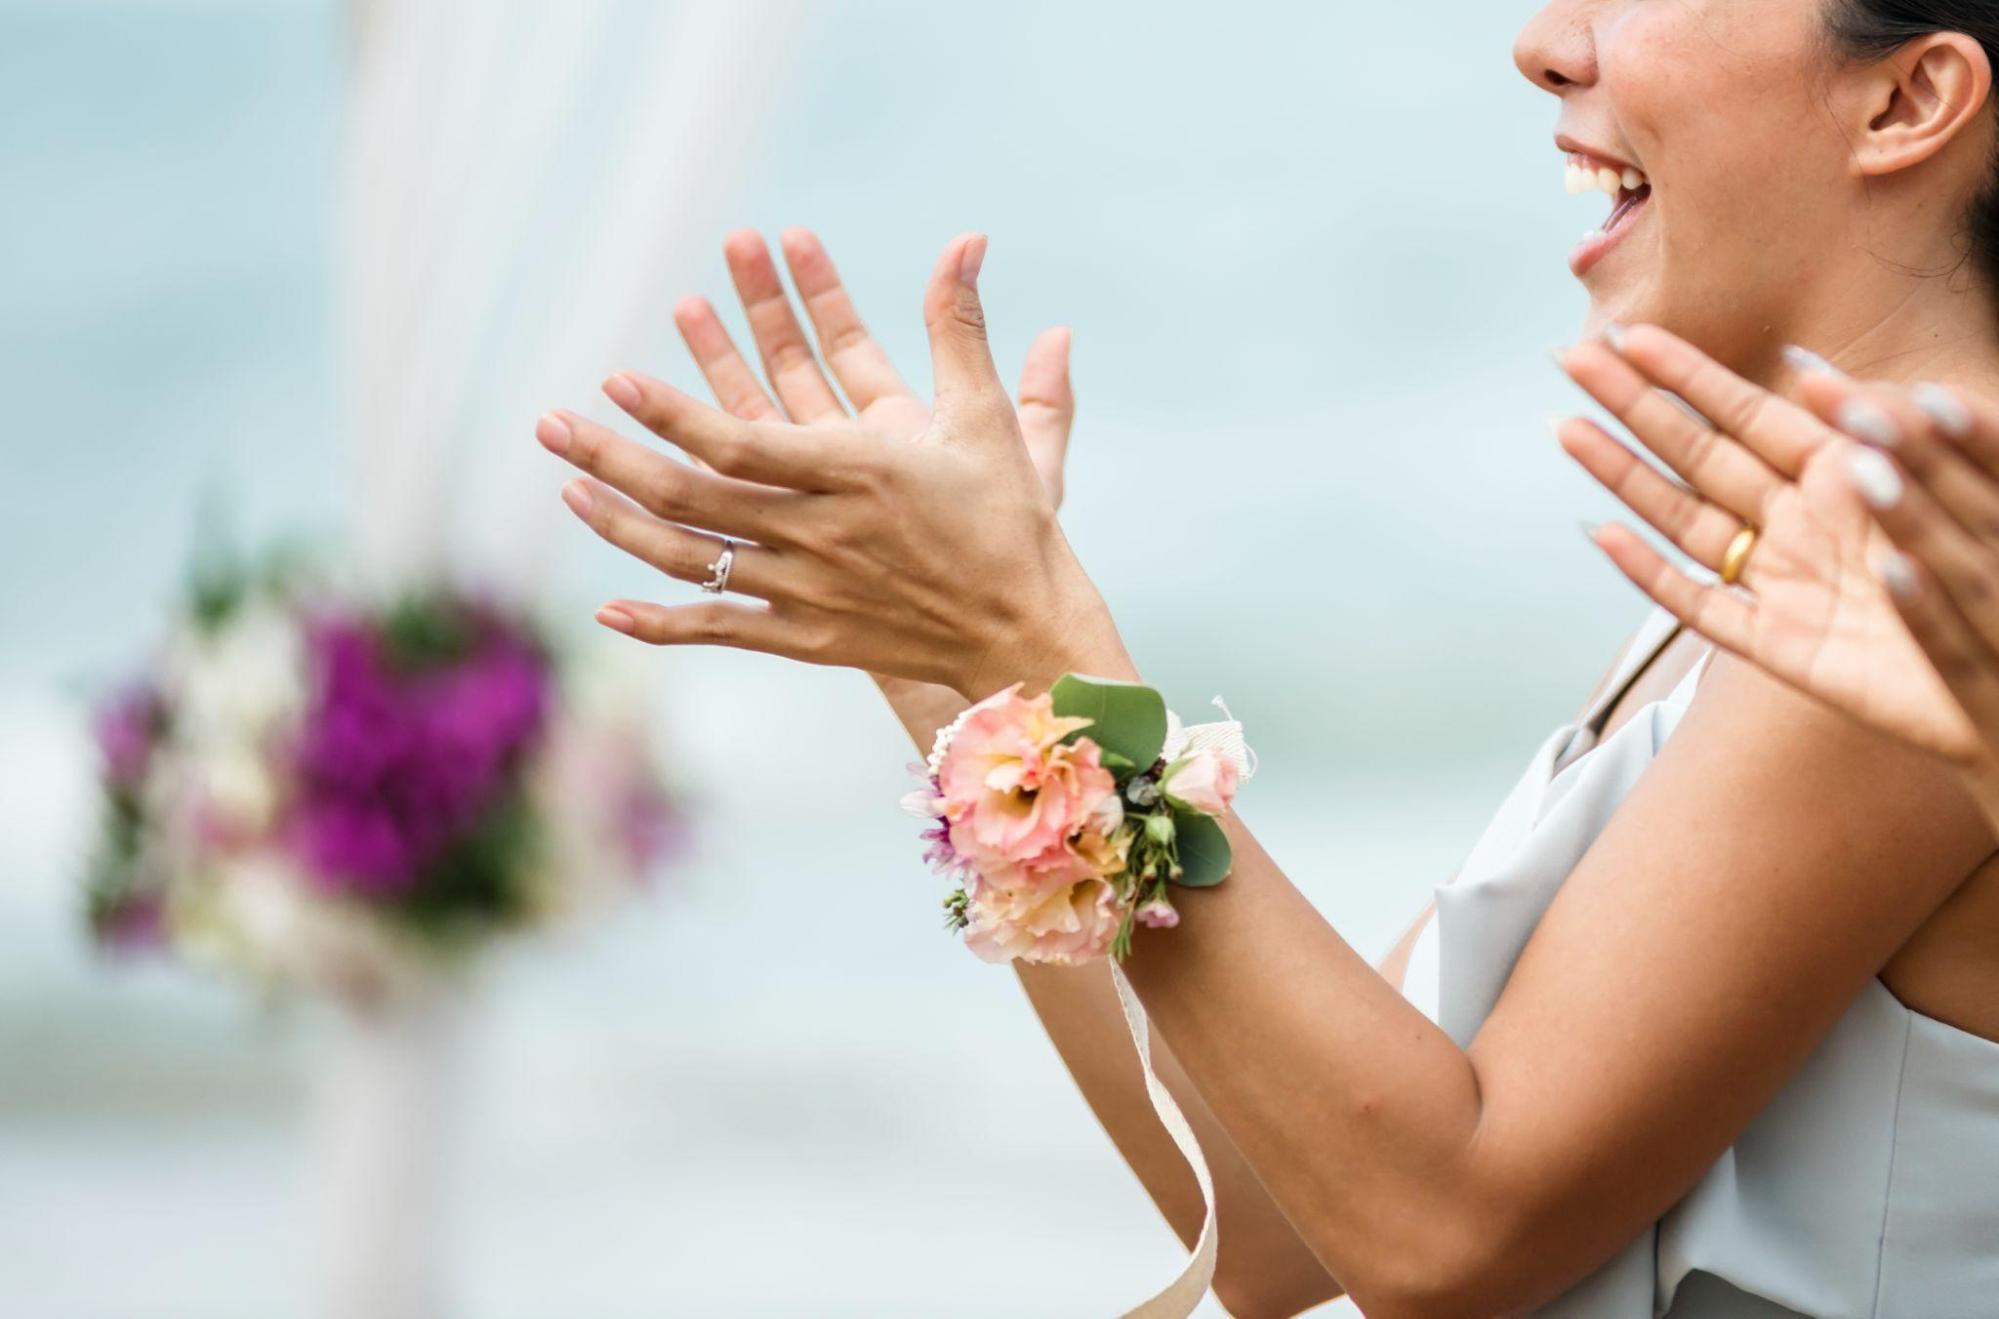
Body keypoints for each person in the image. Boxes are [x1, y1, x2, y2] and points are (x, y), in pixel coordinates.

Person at [533, 1, 1999, 1313]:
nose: (1547, 39)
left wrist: (1039, 637)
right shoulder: (1797, 570)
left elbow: (1445, 1239)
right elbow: (1274, 1216)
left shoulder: (1925, 601)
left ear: (1908, 99)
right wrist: (974, 674)